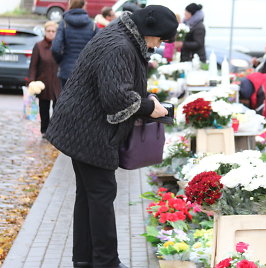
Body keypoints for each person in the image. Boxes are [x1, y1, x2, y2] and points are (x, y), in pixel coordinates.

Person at [45, 5, 177, 268]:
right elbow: (116, 97)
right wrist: (151, 107)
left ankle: (84, 260)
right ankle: (106, 262)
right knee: (101, 194)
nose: (160, 44)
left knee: (90, 195)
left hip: (80, 126)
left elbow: (117, 84)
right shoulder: (120, 45)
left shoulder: (123, 34)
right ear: (150, 31)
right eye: (161, 38)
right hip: (89, 131)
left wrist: (145, 97)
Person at [52, 0, 98, 87]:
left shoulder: (64, 23)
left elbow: (55, 48)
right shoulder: (92, 25)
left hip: (66, 70)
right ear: (84, 6)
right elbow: (98, 48)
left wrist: (61, 61)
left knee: (66, 98)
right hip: (86, 71)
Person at [28, 21, 61, 135]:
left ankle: (55, 131)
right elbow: (33, 65)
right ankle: (44, 130)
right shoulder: (39, 46)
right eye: (48, 31)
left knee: (58, 108)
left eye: (53, 31)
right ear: (44, 32)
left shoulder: (61, 46)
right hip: (43, 82)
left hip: (57, 82)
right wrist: (32, 81)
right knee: (44, 108)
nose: (51, 33)